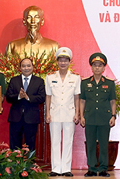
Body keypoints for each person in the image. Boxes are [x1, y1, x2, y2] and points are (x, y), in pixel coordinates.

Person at [45, 47, 81, 177]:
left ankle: (66, 168)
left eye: (66, 60)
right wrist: (47, 113)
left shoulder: (76, 78)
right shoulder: (49, 77)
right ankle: (55, 168)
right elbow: (48, 96)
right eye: (61, 60)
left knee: (67, 141)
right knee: (55, 141)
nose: (63, 63)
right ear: (57, 62)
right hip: (54, 113)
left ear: (69, 62)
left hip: (69, 113)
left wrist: (77, 113)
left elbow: (77, 97)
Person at [80, 53, 117, 177]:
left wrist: (113, 116)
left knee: (103, 144)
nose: (97, 68)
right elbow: (82, 101)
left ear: (103, 68)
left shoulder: (109, 83)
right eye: (95, 65)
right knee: (90, 144)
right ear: (91, 67)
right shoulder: (85, 83)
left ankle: (103, 169)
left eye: (100, 65)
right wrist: (82, 116)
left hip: (104, 118)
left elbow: (113, 101)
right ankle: (91, 168)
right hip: (90, 117)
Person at [5, 58, 46, 151]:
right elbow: (8, 97)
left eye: (28, 66)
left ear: (33, 67)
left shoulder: (39, 81)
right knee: (15, 143)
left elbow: (42, 97)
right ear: (20, 68)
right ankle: (14, 163)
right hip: (15, 117)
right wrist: (19, 96)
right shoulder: (14, 80)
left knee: (30, 143)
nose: (26, 68)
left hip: (31, 117)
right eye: (24, 66)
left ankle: (29, 164)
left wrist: (28, 97)